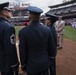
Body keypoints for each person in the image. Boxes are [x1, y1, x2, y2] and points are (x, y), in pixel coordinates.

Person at [19, 6, 56, 75]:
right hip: (45, 64)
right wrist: (50, 59)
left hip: (31, 66)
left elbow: (22, 51)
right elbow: (52, 48)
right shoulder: (47, 29)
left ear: (29, 17)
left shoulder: (23, 32)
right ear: (40, 17)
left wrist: (23, 66)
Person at [0, 2, 19, 75]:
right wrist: (14, 65)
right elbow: (10, 49)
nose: (11, 12)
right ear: (3, 12)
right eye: (9, 10)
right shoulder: (8, 27)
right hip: (8, 66)